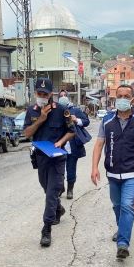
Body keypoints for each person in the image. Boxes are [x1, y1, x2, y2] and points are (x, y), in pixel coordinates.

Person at [91, 84, 134, 259]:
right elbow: (98, 144)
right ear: (115, 98)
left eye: (127, 96)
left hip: (132, 173)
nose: (123, 99)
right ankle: (122, 229)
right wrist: (94, 167)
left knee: (127, 206)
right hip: (112, 174)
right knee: (117, 206)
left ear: (133, 99)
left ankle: (123, 244)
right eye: (120, 95)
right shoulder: (107, 121)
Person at [23, 78, 74, 247]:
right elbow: (27, 134)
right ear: (35, 93)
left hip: (58, 158)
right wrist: (41, 119)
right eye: (39, 93)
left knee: (52, 192)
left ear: (51, 94)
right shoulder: (32, 111)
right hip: (40, 158)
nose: (42, 96)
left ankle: (46, 229)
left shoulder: (62, 110)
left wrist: (61, 142)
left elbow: (71, 131)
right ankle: (58, 209)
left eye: (45, 94)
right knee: (46, 188)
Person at [57, 90, 90, 200]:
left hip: (72, 145)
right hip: (58, 145)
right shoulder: (55, 111)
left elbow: (86, 121)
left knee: (71, 169)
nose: (63, 97)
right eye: (60, 96)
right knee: (58, 170)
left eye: (65, 95)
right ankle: (60, 187)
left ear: (68, 97)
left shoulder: (75, 110)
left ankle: (70, 189)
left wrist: (76, 120)